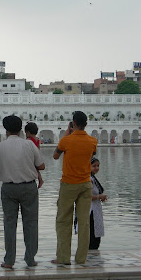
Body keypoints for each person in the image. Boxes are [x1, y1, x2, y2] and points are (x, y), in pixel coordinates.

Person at [0, 115, 45, 268]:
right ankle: (30, 259)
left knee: (9, 224)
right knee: (31, 223)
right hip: (28, 187)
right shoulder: (29, 145)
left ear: (6, 129)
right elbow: (41, 165)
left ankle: (9, 260)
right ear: (20, 128)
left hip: (8, 188)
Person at [52, 111, 97, 265]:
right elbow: (91, 154)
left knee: (64, 220)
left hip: (69, 184)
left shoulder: (66, 141)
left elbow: (55, 156)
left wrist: (66, 134)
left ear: (73, 123)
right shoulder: (92, 141)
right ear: (86, 124)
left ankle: (64, 258)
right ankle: (81, 258)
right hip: (86, 184)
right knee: (84, 222)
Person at [89, 157, 107, 250]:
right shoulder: (89, 179)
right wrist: (99, 197)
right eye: (94, 166)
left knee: (95, 236)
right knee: (92, 236)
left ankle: (92, 256)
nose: (96, 168)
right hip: (90, 211)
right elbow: (85, 197)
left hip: (95, 210)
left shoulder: (93, 178)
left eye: (98, 166)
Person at [25, 122, 44, 188]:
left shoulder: (28, 140)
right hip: (36, 157)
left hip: (30, 157)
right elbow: (38, 150)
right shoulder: (37, 140)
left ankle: (40, 180)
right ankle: (40, 180)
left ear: (27, 132)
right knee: (37, 170)